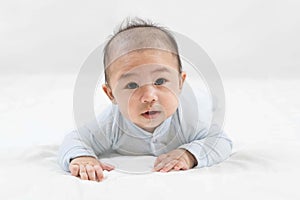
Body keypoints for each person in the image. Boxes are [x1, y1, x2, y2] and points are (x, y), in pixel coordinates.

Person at [58, 18, 232, 182]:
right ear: (111, 94)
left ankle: (210, 100)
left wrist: (189, 154)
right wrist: (82, 157)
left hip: (198, 101)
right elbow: (75, 139)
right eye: (132, 85)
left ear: (180, 83)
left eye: (160, 81)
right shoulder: (110, 124)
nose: (149, 96)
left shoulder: (190, 119)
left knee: (208, 102)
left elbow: (221, 142)